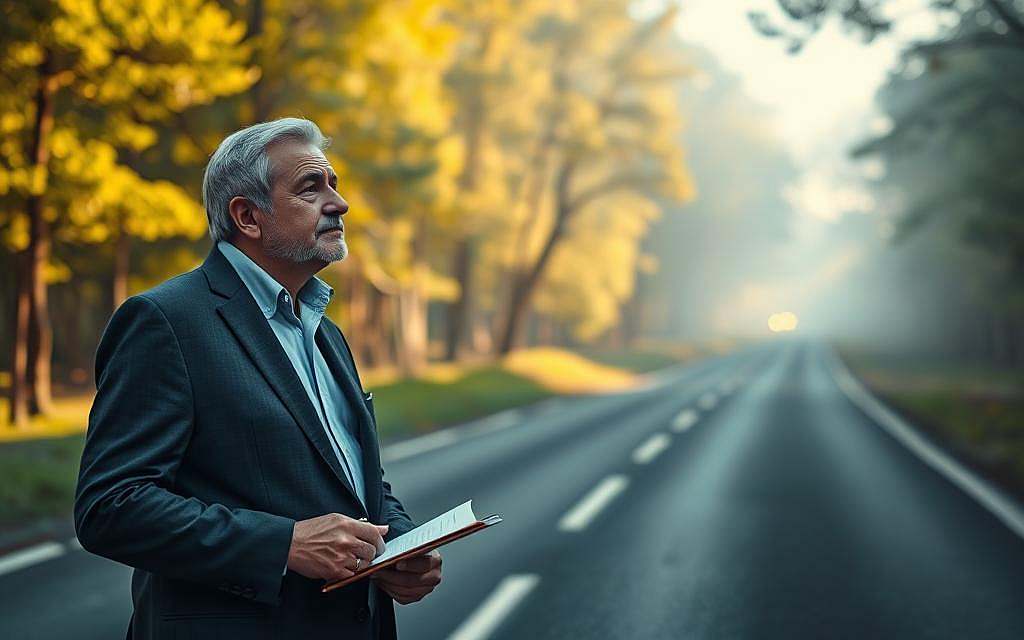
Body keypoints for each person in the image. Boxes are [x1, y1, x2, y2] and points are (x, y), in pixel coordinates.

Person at [74, 118, 441, 640]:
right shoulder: (165, 321)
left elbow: (354, 479)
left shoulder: (326, 332)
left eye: (334, 184)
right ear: (247, 217)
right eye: (311, 187)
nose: (339, 204)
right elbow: (111, 505)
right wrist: (283, 544)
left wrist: (400, 544)